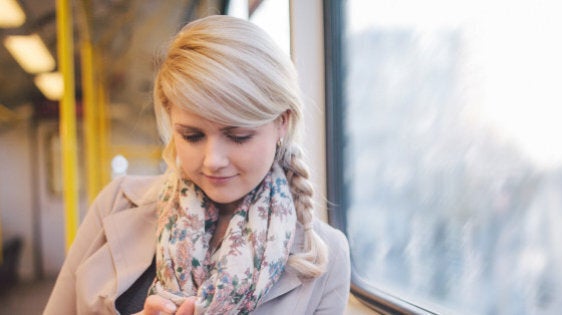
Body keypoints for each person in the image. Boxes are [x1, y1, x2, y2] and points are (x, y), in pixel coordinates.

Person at [44, 15, 350, 315]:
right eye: (192, 136)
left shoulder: (327, 255)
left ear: (281, 123)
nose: (213, 161)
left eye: (238, 136)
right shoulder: (115, 203)